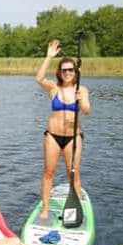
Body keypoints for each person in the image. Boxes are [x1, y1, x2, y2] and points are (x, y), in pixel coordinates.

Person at [35, 39, 91, 220]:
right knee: (48, 172)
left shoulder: (82, 89)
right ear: (59, 72)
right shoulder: (54, 88)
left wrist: (80, 100)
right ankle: (45, 208)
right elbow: (39, 78)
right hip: (53, 135)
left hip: (73, 137)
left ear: (75, 72)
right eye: (64, 70)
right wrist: (48, 57)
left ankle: (76, 209)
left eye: (71, 70)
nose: (67, 73)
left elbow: (87, 111)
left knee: (73, 173)